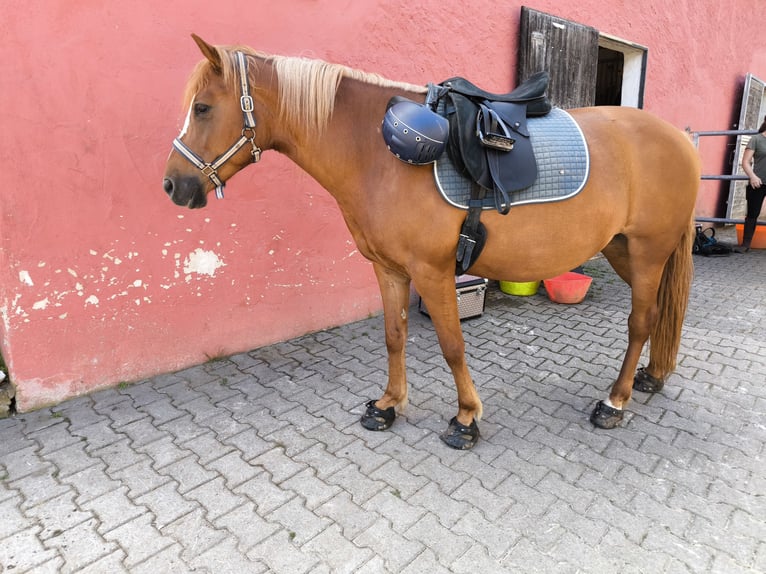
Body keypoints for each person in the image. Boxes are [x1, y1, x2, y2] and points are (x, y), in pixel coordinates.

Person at [738, 116, 766, 252]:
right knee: (752, 214)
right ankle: (746, 244)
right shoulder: (756, 139)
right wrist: (753, 176)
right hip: (758, 183)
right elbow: (745, 161)